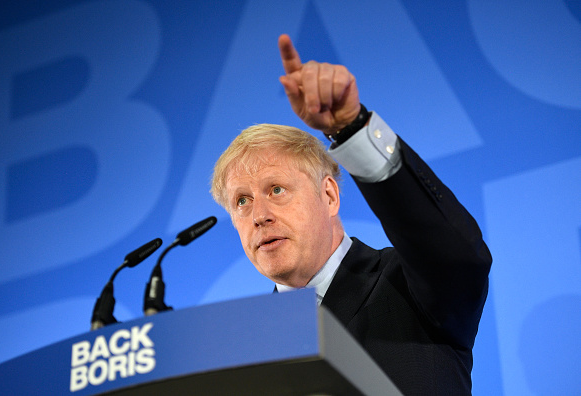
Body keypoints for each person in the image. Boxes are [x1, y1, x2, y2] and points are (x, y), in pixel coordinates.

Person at [210, 34, 492, 395]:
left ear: (328, 195)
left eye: (276, 190)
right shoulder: (241, 352)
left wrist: (352, 127)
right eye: (242, 202)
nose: (258, 215)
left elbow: (456, 255)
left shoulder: (408, 287)